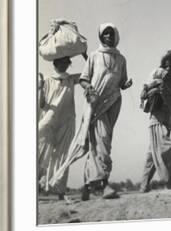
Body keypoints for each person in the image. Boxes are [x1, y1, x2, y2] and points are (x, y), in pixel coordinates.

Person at [50, 23, 132, 201]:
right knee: (101, 140)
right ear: (101, 37)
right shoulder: (94, 56)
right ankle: (103, 184)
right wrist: (90, 90)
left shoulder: (121, 59)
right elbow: (84, 79)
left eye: (111, 34)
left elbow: (122, 82)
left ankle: (87, 186)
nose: (108, 37)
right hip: (95, 104)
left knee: (102, 142)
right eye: (105, 34)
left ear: (116, 36)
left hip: (113, 103)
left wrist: (126, 85)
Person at [139, 50, 171, 192]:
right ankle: (168, 180)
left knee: (152, 155)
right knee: (166, 147)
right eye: (166, 66)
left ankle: (144, 185)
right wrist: (154, 89)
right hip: (156, 120)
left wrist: (170, 92)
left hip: (167, 121)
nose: (169, 69)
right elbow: (143, 94)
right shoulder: (156, 81)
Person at [38, 57, 81, 200]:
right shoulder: (47, 81)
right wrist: (40, 89)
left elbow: (90, 72)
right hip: (48, 121)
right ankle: (38, 186)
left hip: (67, 121)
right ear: (55, 63)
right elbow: (42, 105)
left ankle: (60, 191)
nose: (63, 65)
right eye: (60, 62)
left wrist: (85, 55)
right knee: (42, 154)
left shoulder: (71, 79)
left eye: (66, 62)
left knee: (62, 155)